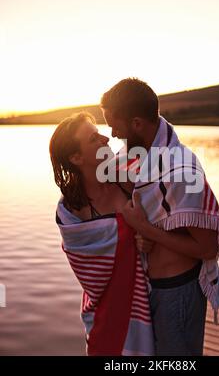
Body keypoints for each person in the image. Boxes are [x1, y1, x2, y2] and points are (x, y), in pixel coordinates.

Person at [100, 78, 219, 356]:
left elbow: (208, 248)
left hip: (178, 292)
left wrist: (146, 228)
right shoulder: (140, 158)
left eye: (114, 124)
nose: (111, 133)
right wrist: (144, 235)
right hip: (153, 287)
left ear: (136, 123)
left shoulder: (182, 169)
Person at [49, 111, 155, 356]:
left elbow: (160, 225)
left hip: (148, 304)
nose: (105, 140)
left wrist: (148, 235)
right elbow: (90, 274)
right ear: (76, 157)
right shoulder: (72, 213)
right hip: (105, 317)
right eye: (94, 139)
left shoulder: (128, 181)